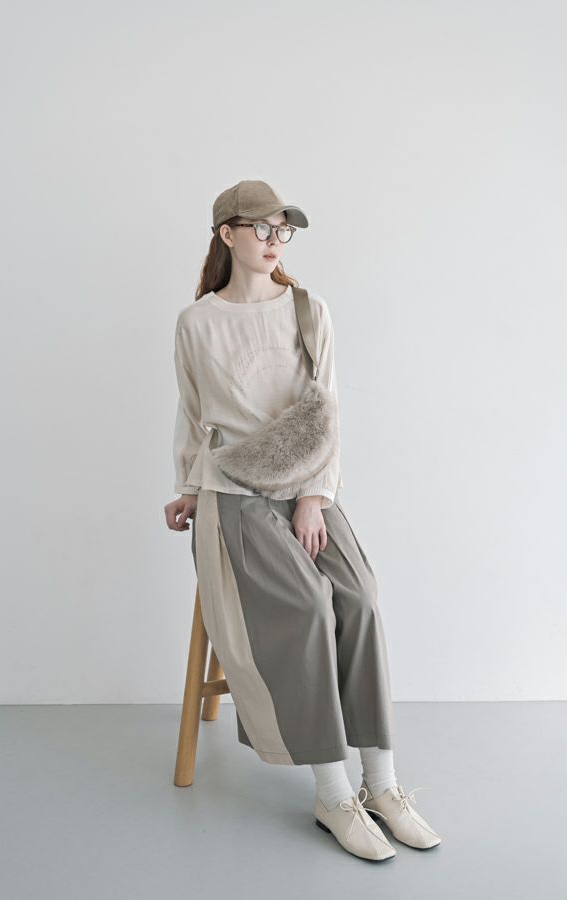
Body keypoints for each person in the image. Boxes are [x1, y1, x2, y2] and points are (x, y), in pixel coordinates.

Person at [164, 179, 441, 860]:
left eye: (283, 229)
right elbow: (194, 415)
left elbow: (328, 409)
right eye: (261, 228)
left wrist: (315, 497)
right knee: (310, 606)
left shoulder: (308, 310)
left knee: (360, 598)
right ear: (227, 234)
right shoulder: (196, 322)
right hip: (231, 491)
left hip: (306, 487)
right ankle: (333, 793)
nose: (274, 240)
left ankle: (383, 785)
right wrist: (188, 487)